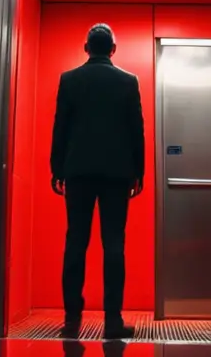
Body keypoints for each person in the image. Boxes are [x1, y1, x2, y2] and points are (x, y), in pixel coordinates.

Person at [50, 23, 145, 338]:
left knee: (76, 241)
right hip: (117, 174)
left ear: (86, 47)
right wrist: (139, 172)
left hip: (78, 171)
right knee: (114, 244)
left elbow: (60, 127)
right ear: (113, 50)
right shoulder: (128, 82)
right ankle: (113, 321)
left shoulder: (70, 80)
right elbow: (136, 131)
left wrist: (57, 168)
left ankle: (72, 319)